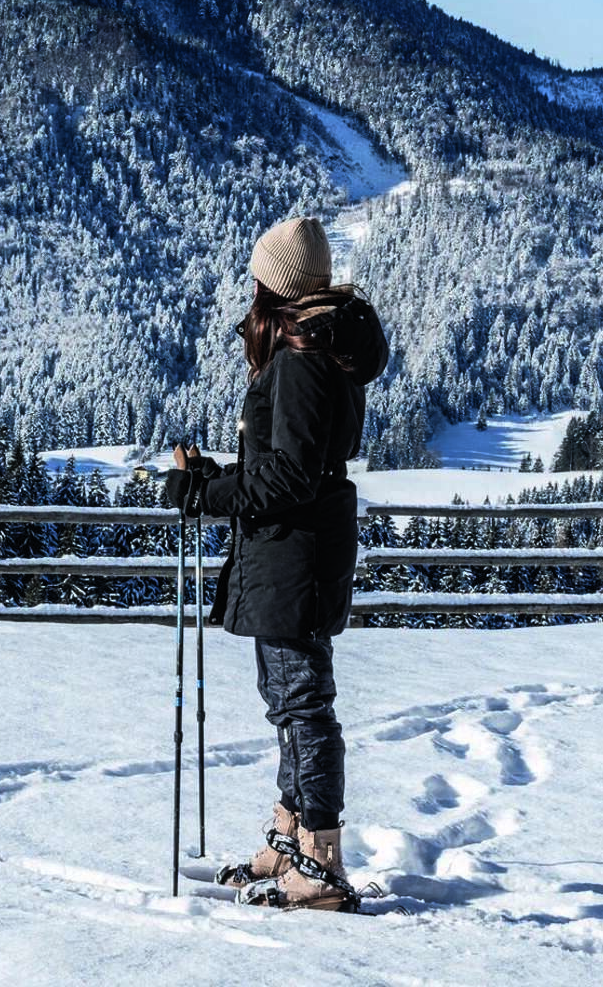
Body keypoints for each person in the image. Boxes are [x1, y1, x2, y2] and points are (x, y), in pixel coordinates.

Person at [165, 216, 388, 912]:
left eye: (258, 276)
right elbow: (291, 466)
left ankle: (319, 858)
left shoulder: (298, 361)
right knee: (291, 701)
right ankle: (291, 838)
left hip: (293, 553)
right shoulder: (317, 351)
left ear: (276, 285)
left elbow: (289, 477)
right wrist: (223, 478)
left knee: (301, 706)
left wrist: (208, 492)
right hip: (296, 550)